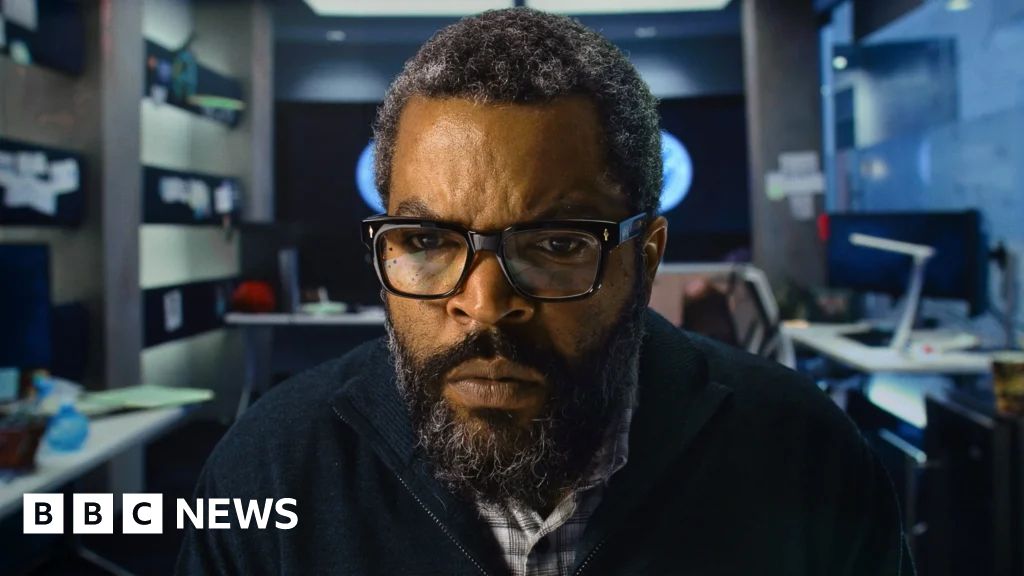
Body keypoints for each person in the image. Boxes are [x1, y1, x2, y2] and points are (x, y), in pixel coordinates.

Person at [176, 8, 912, 576]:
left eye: (556, 245)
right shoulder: (267, 471)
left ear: (646, 258)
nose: (484, 303)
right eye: (427, 242)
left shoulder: (804, 457)